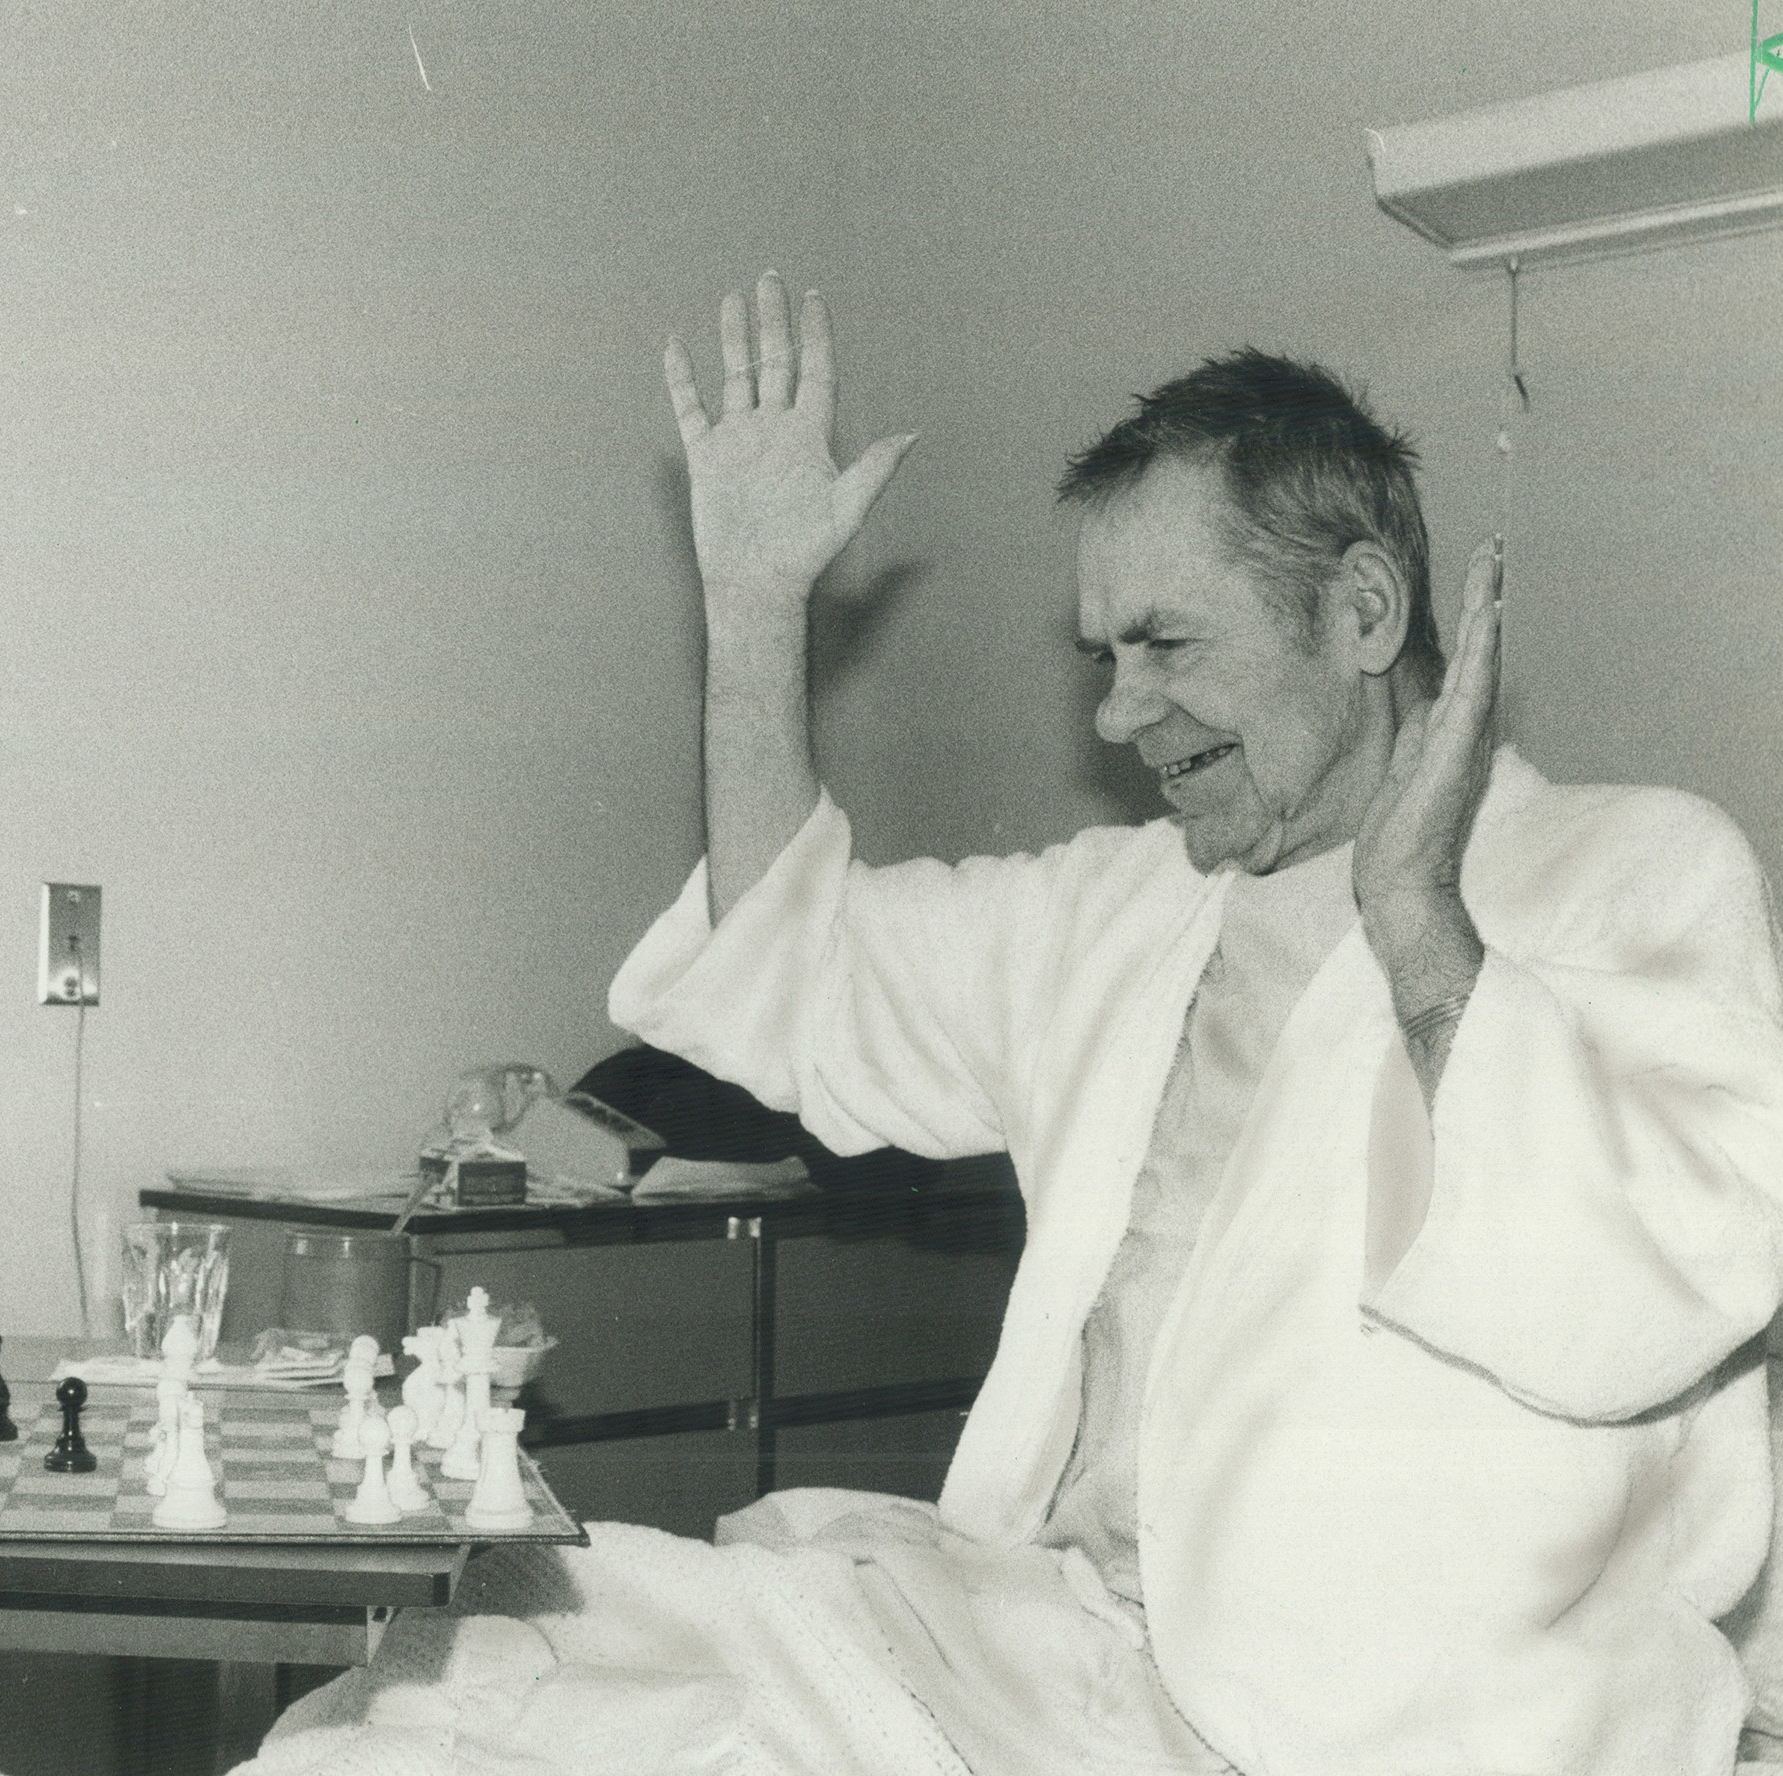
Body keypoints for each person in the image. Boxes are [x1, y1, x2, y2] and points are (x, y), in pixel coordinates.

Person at [241, 279, 1783, 1775]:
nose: (1118, 714)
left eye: (1166, 647)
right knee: (468, 1698)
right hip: (1044, 1648)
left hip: (1386, 1726)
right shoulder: (1122, 908)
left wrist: (1421, 923)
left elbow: (1651, 1283)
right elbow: (801, 959)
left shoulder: (1633, 872)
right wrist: (757, 611)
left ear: (1363, 611)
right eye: (1102, 659)